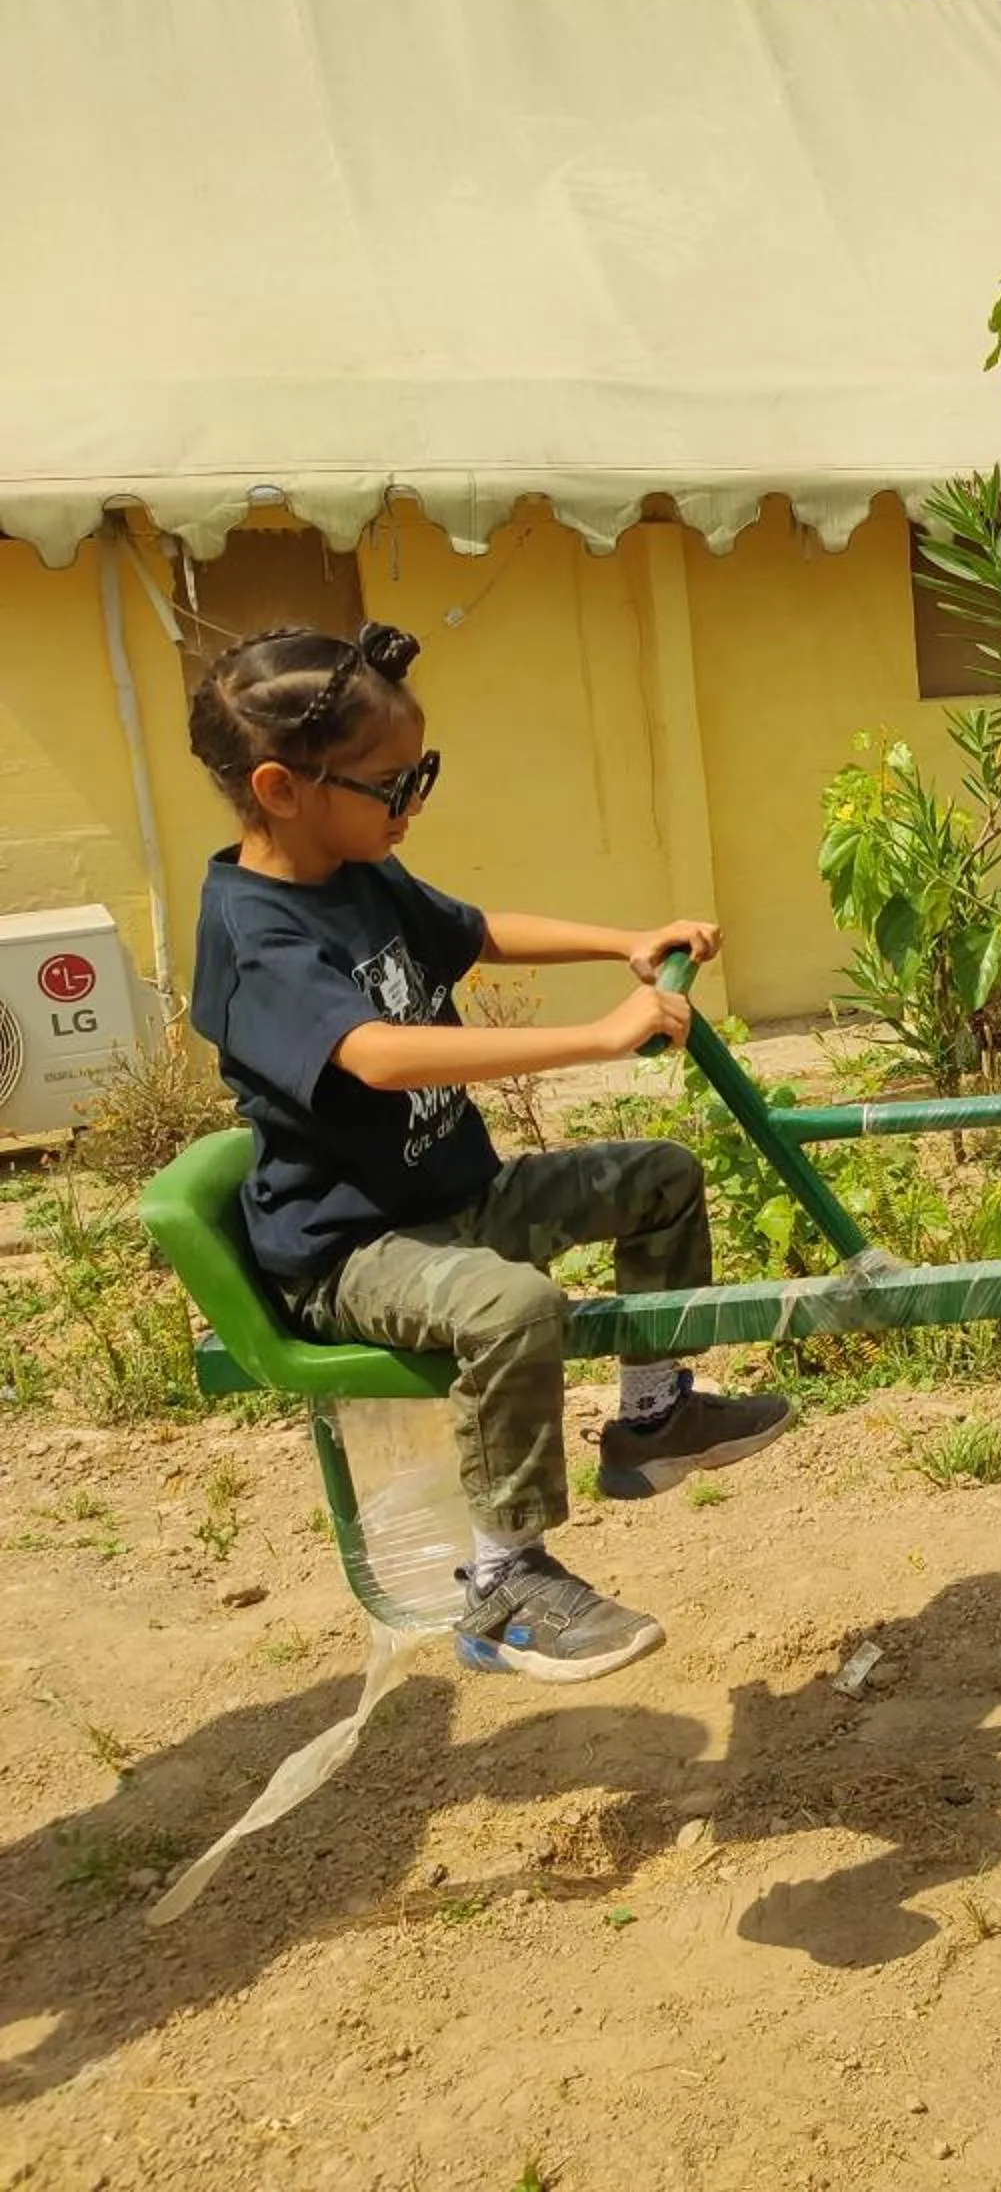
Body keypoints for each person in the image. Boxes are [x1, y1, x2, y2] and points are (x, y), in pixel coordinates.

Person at [186, 621, 791, 1683]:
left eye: (420, 772)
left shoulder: (359, 867)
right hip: (355, 1249)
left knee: (660, 1177)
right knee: (512, 1307)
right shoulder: (256, 934)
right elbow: (373, 1056)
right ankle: (504, 1581)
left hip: (460, 1196)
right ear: (281, 788)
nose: (413, 801)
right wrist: (600, 1036)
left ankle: (652, 1419)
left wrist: (622, 941)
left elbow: (474, 932)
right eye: (390, 783)